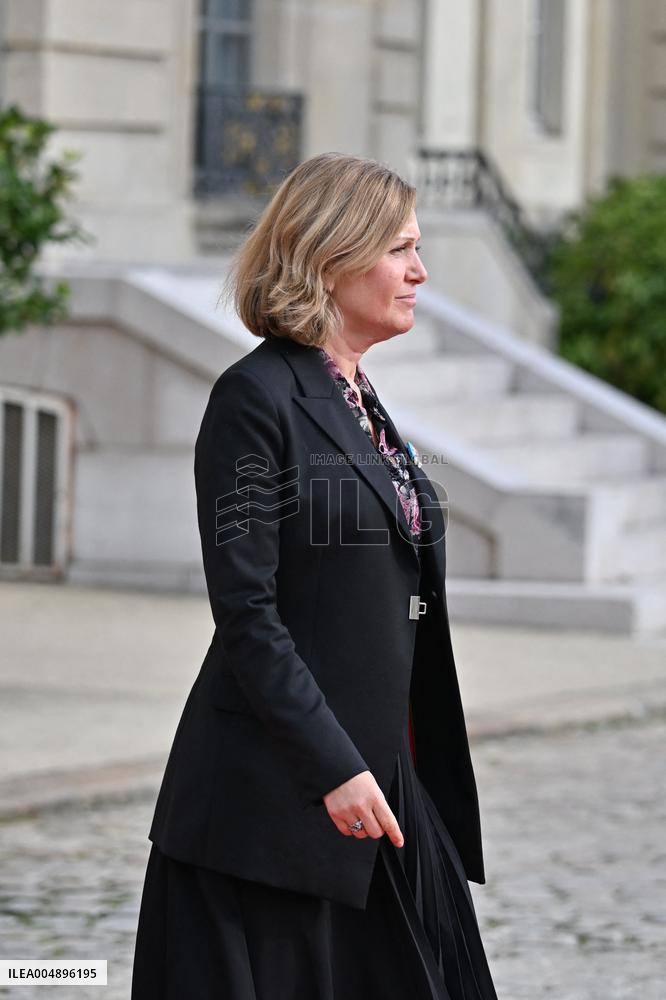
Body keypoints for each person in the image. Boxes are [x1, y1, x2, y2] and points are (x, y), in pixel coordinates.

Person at [131, 152, 499, 999]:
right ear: (333, 260)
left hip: (384, 777)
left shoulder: (359, 400)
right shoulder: (253, 399)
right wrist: (332, 766)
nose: (421, 270)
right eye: (401, 249)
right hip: (280, 798)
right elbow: (248, 611)